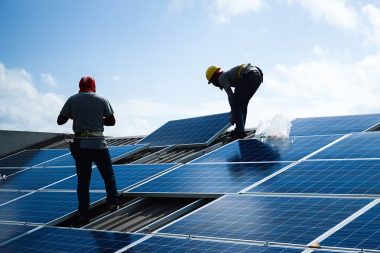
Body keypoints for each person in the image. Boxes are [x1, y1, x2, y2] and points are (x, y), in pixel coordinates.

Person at [57, 76, 120, 225]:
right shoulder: (102, 99)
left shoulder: (72, 99)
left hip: (81, 146)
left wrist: (76, 116)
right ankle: (113, 203)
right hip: (99, 145)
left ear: (80, 86)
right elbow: (112, 121)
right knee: (108, 175)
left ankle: (84, 214)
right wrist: (97, 119)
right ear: (94, 86)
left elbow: (60, 120)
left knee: (83, 182)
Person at [206, 63, 263, 140]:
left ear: (214, 78)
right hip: (257, 75)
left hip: (249, 74)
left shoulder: (221, 78)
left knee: (235, 102)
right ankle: (240, 129)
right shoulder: (228, 75)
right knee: (243, 103)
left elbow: (231, 97)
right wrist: (235, 112)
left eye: (212, 82)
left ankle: (240, 131)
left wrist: (233, 114)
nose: (214, 85)